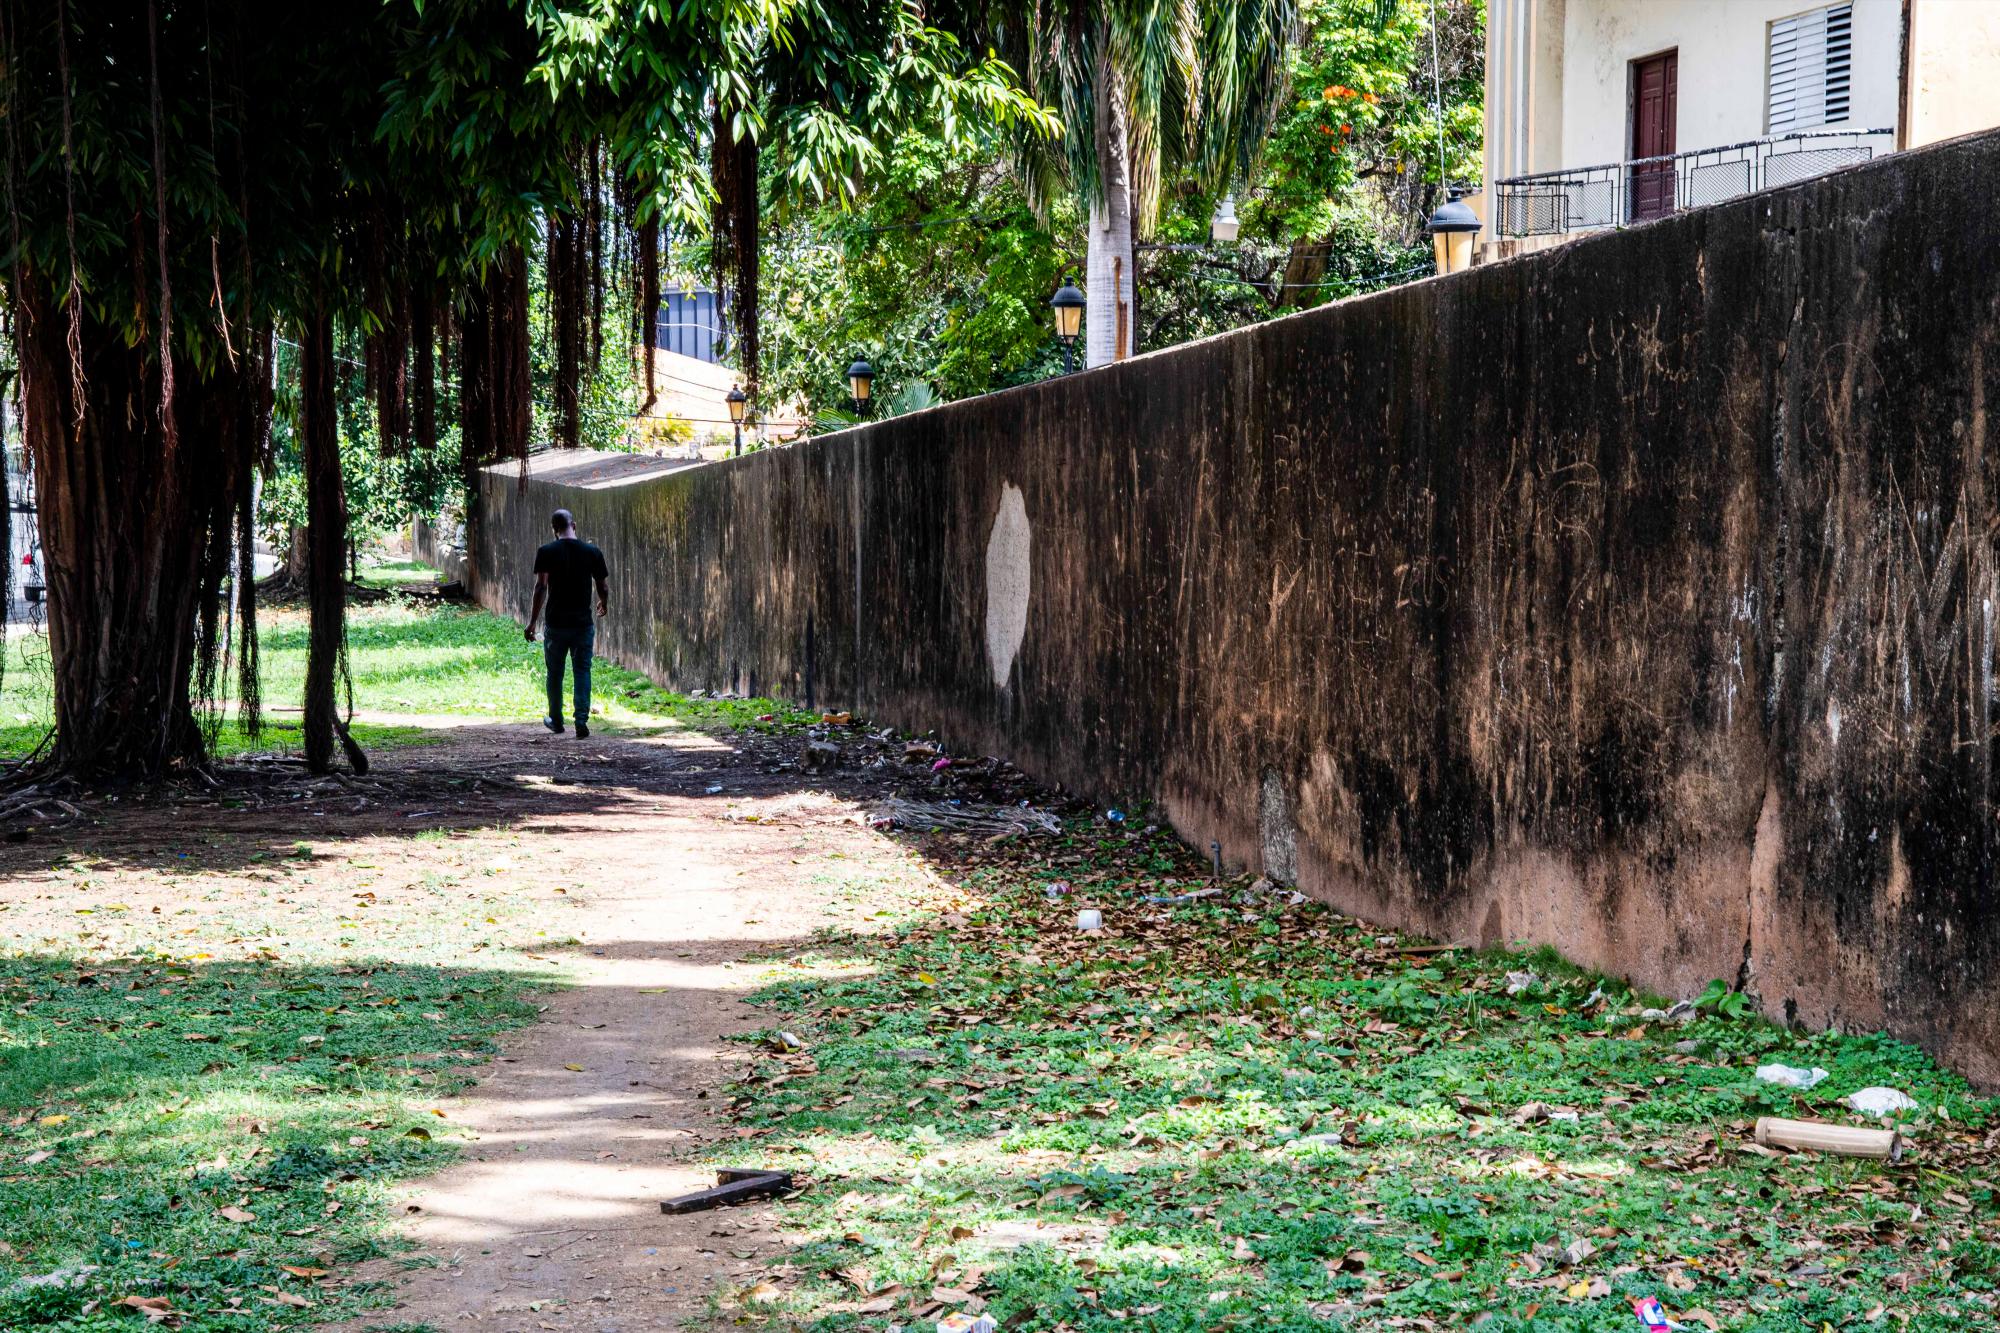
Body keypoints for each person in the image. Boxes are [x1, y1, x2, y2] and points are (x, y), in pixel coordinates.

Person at [525, 509, 609, 738]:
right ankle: (581, 721)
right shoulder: (592, 552)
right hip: (582, 623)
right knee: (582, 671)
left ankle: (556, 720)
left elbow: (541, 587)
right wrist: (604, 602)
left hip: (556, 624)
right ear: (574, 524)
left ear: (554, 530)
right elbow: (602, 585)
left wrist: (532, 622)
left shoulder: (546, 552)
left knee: (555, 673)